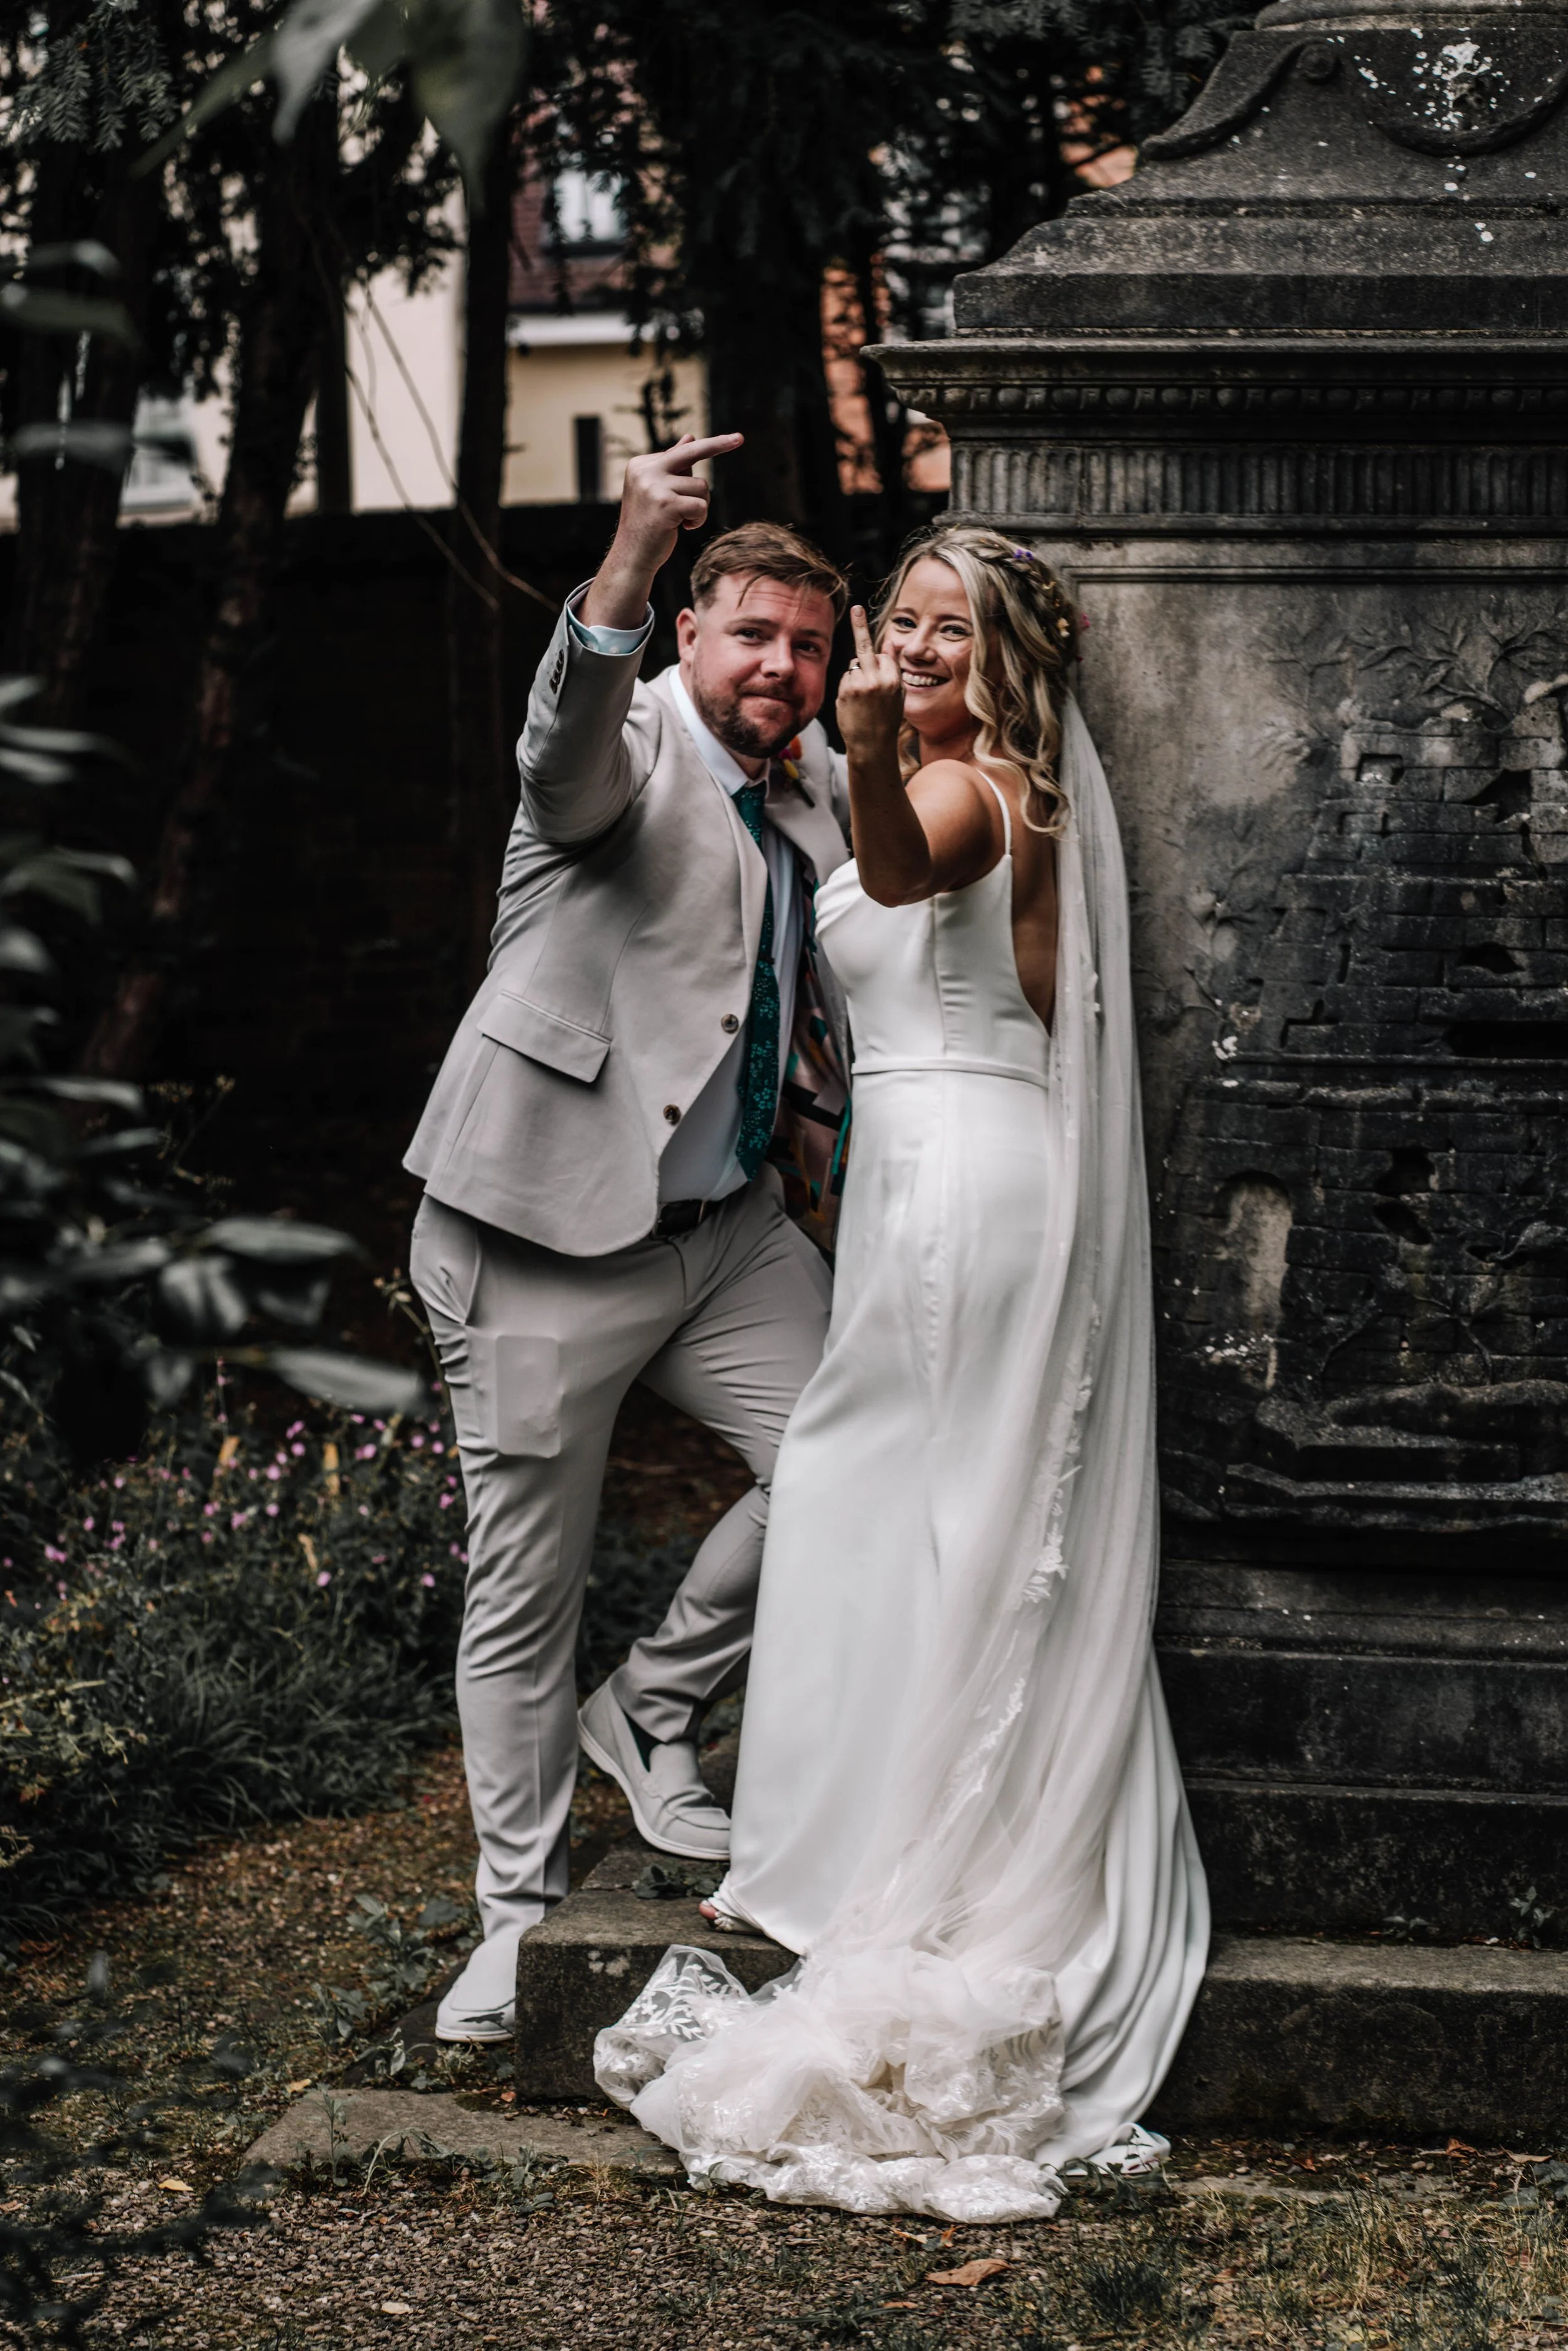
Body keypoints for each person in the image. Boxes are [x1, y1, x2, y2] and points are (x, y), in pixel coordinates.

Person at [595, 526, 1210, 2222]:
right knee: (903, 1504)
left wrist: (865, 736)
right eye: (906, 619)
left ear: (1005, 654)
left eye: (951, 627)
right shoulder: (930, 772)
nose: (919, 644)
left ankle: (887, 1865)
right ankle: (841, 1849)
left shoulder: (980, 791)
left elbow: (903, 867)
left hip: (966, 1185)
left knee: (911, 1502)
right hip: (913, 1177)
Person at [405, 434, 853, 2043]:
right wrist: (621, 563)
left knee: (861, 1465)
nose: (781, 665)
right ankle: (514, 1925)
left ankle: (651, 1699)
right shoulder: (626, 747)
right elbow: (557, 749)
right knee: (523, 1593)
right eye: (751, 632)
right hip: (536, 1232)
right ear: (689, 635)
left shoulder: (814, 784)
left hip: (723, 1235)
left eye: (808, 641)